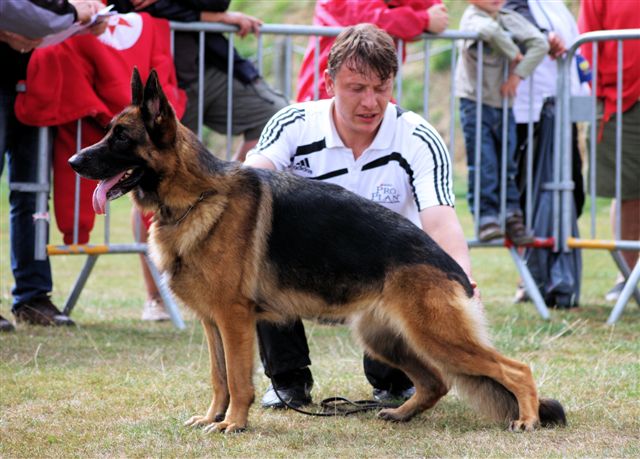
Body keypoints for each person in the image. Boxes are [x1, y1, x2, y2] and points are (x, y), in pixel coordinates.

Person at [245, 24, 475, 408]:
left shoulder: (419, 137)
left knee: (410, 283)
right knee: (256, 262)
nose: (371, 102)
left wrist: (464, 281)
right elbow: (249, 185)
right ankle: (287, 382)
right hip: (302, 273)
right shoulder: (293, 123)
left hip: (383, 278)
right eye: (357, 88)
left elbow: (440, 221)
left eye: (381, 88)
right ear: (329, 83)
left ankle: (395, 381)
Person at [111, 0, 290, 320]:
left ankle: (219, 188)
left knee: (273, 114)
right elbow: (131, 7)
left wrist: (211, 14)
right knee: (149, 181)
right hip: (157, 74)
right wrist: (209, 16)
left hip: (206, 66)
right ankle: (156, 297)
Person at [0, 0, 105, 332]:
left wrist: (77, 23)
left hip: (32, 85)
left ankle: (33, 296)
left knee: (33, 194)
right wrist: (70, 13)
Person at [504, 0, 589, 305]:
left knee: (572, 194)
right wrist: (542, 35)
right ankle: (530, 278)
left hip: (563, 112)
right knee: (531, 199)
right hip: (530, 114)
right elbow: (512, 15)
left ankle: (550, 275)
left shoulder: (557, 5)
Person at [455, 0, 548, 244]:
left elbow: (540, 43)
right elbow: (490, 31)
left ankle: (511, 215)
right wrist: (514, 53)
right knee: (484, 163)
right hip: (475, 102)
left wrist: (518, 74)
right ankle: (487, 217)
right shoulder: (472, 17)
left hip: (504, 104)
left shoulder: (507, 16)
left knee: (508, 163)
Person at [578, 0, 640, 301]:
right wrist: (596, 92)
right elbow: (587, 40)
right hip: (620, 100)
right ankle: (626, 277)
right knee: (627, 190)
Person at [296, 0, 449, 102]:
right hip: (328, 93)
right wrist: (422, 20)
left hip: (370, 91)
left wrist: (407, 17)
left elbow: (434, 8)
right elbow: (370, 21)